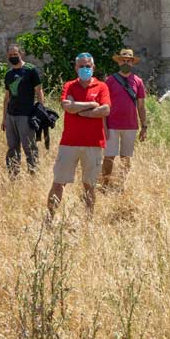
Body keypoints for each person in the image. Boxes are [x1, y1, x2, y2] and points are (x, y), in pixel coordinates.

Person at [47, 52, 110, 219]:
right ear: (76, 67)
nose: (84, 69)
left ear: (93, 67)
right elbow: (67, 106)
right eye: (81, 66)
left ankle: (89, 219)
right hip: (69, 143)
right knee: (59, 182)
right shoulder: (69, 85)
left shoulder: (102, 87)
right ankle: (50, 217)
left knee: (89, 185)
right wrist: (91, 105)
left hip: (94, 143)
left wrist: (80, 110)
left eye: (87, 66)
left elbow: (105, 110)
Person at [102, 49, 147, 190]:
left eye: (128, 60)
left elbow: (141, 106)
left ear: (132, 63)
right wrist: (103, 126)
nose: (126, 62)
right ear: (119, 62)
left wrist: (144, 127)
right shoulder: (110, 80)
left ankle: (121, 186)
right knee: (109, 157)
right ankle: (104, 185)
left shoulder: (138, 81)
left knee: (126, 158)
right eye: (123, 60)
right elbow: (104, 105)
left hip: (131, 125)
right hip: (112, 125)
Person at [2, 43, 45, 177]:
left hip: (26, 115)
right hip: (11, 116)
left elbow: (39, 91)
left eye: (15, 54)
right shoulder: (8, 74)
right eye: (10, 55)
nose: (13, 57)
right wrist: (4, 118)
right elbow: (7, 97)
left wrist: (40, 112)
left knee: (29, 147)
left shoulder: (31, 70)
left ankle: (33, 174)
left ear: (21, 54)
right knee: (12, 147)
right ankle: (13, 176)